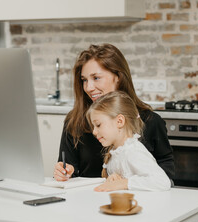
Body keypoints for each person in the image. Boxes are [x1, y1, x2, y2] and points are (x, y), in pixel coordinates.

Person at [53, 43, 174, 183]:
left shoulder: (150, 120)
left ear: (118, 76)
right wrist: (64, 173)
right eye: (84, 80)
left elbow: (165, 171)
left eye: (96, 78)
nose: (88, 87)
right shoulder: (74, 121)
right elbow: (69, 169)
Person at [86, 91, 171, 191]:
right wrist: (114, 180)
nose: (94, 132)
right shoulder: (117, 152)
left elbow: (162, 182)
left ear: (120, 121)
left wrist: (123, 183)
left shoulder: (133, 151)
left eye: (98, 125)